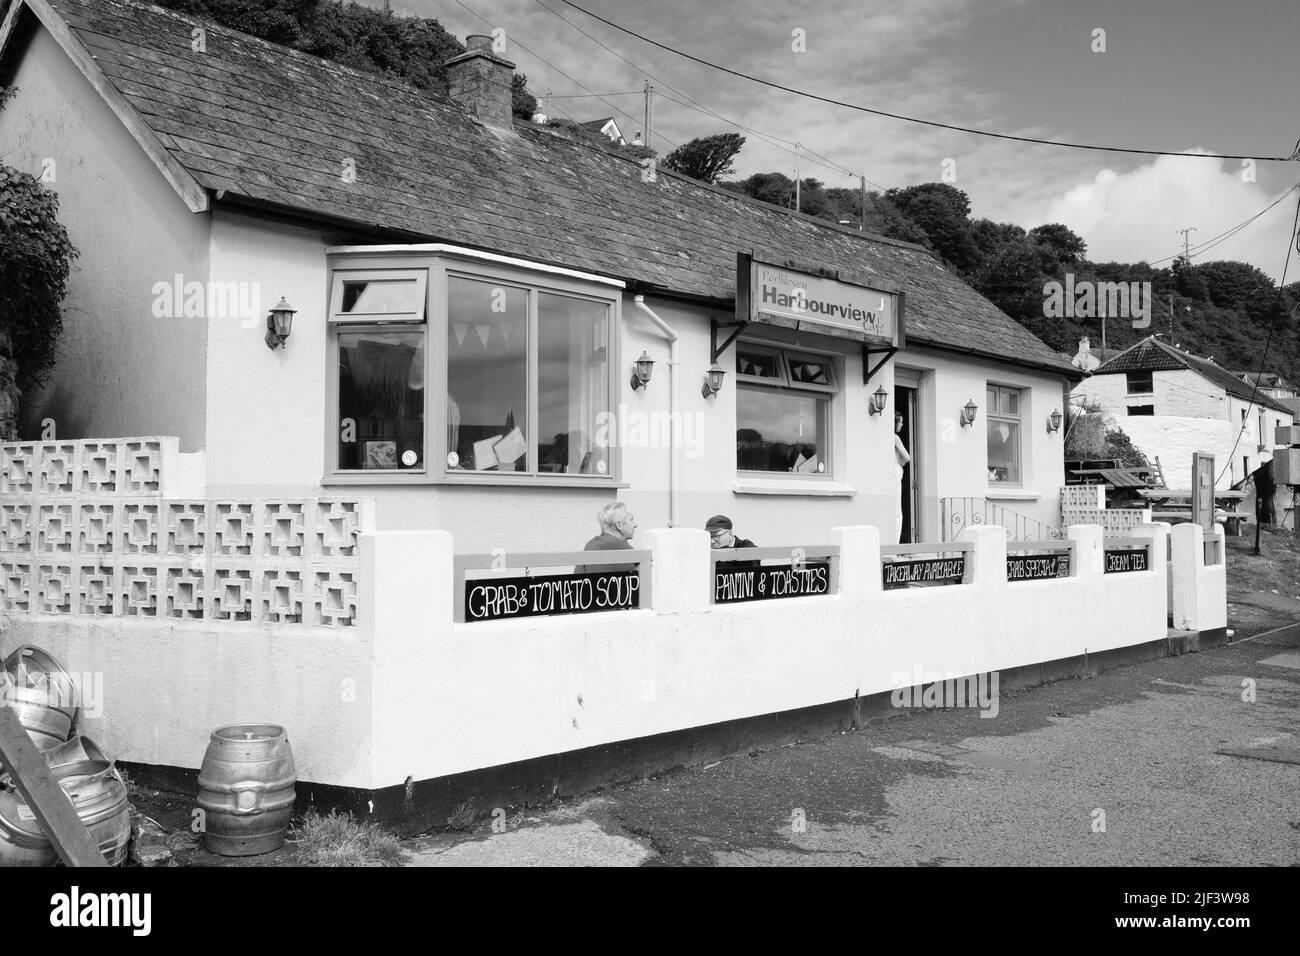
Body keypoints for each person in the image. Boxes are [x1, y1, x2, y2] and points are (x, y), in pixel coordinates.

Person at [580, 502, 637, 573]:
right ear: (619, 525)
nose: (635, 524)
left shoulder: (591, 544)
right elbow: (642, 574)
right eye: (631, 519)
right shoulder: (620, 545)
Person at [894, 412, 912, 544]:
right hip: (894, 475)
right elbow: (907, 457)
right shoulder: (895, 438)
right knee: (897, 512)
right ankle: (895, 544)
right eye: (901, 422)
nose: (902, 424)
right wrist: (901, 461)